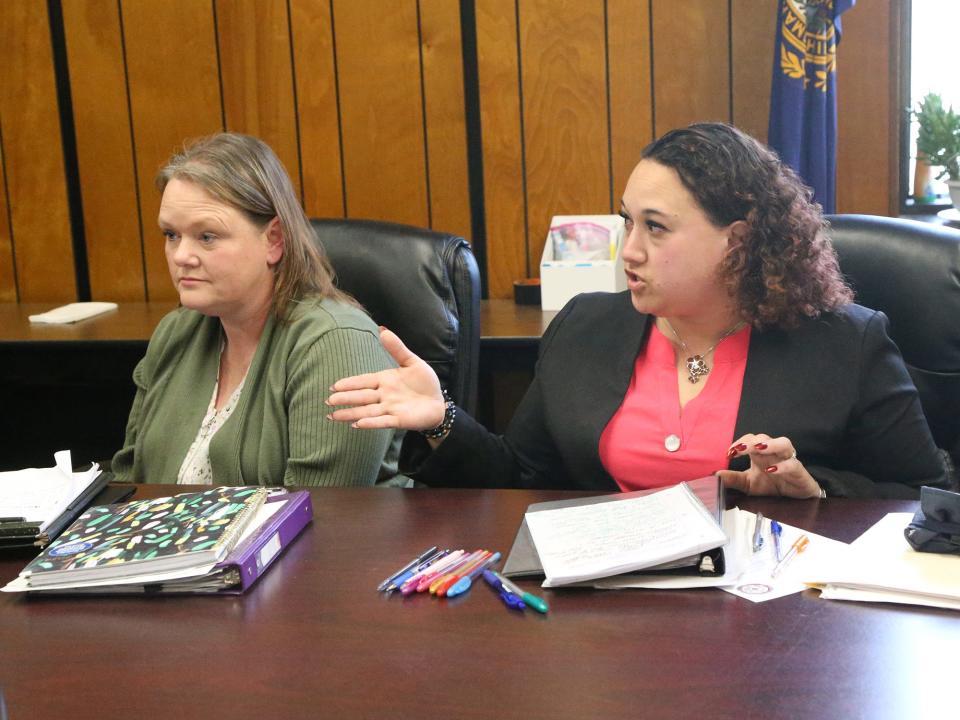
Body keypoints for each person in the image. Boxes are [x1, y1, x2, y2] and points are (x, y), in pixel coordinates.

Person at [327, 123, 949, 498]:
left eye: (656, 227)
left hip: (773, 628)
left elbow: (926, 496)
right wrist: (442, 419)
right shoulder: (586, 326)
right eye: (628, 220)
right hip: (605, 626)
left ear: (736, 240)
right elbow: (522, 478)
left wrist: (816, 490)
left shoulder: (845, 345)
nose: (629, 250)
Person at [111, 132, 397, 486]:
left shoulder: (336, 343)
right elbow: (127, 484)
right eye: (171, 235)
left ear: (273, 240)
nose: (181, 256)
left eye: (207, 236)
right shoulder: (176, 332)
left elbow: (324, 515)